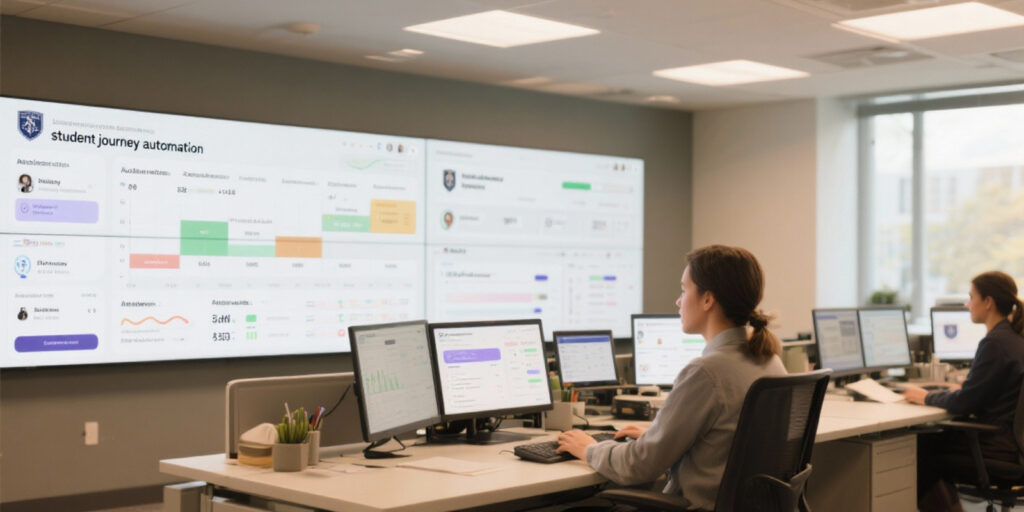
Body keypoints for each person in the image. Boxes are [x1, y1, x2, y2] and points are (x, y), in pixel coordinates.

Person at [556, 245, 787, 511]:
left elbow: (639, 466)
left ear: (707, 299)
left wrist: (589, 448)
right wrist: (659, 435)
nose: (678, 301)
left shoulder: (706, 372)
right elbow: (726, 442)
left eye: (683, 290)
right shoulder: (771, 361)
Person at [904, 271, 1024, 512]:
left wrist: (925, 396)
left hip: (998, 448)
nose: (968, 304)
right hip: (1012, 445)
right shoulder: (1014, 339)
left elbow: (964, 404)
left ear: (988, 302)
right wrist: (962, 389)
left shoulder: (994, 343)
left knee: (920, 447)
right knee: (931, 443)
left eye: (972, 297)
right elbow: (982, 392)